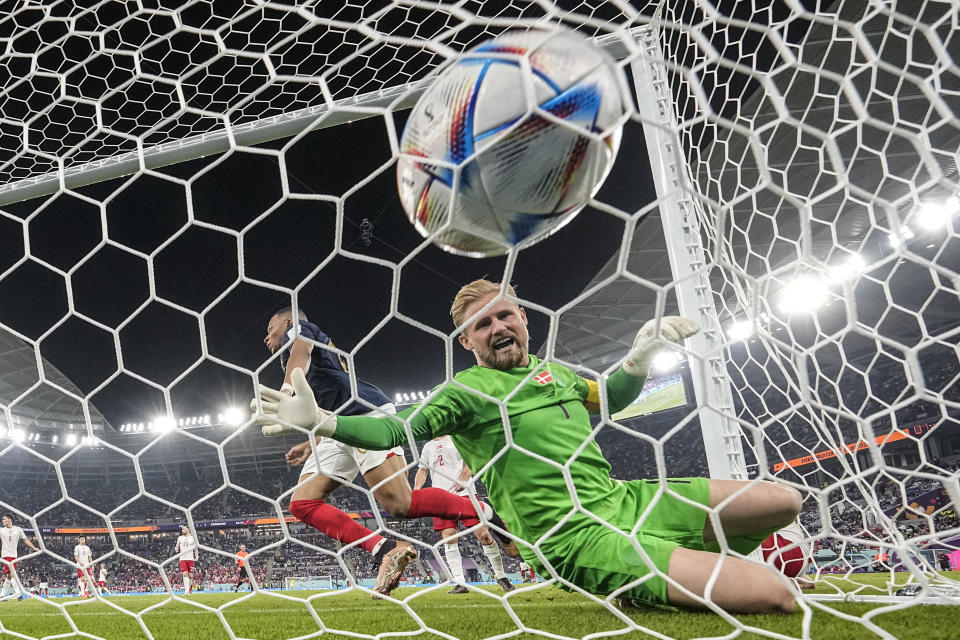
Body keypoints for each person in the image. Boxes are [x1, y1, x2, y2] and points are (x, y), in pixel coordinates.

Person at [255, 280, 803, 613]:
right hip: (577, 538)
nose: (496, 327)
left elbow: (609, 397)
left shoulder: (554, 374)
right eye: (481, 324)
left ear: (523, 319)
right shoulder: (464, 392)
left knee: (785, 502)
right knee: (777, 594)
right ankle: (639, 581)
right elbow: (395, 433)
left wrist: (638, 359)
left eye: (503, 314)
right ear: (466, 341)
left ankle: (687, 562)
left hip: (624, 500)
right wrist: (325, 423)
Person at [261, 307, 516, 597]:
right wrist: (309, 444)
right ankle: (386, 549)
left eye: (271, 327)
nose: (266, 335)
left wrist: (285, 391)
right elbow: (327, 399)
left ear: (289, 322)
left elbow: (302, 352)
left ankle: (486, 513)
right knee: (302, 504)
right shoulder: (295, 356)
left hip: (367, 415)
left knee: (400, 506)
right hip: (335, 426)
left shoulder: (301, 333)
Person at [414, 436, 514, 594]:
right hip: (441, 498)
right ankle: (460, 583)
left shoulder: (456, 438)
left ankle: (502, 577)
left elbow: (470, 459)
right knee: (449, 538)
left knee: (484, 535)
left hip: (466, 493)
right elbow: (422, 469)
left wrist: (464, 477)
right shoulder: (428, 446)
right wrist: (417, 489)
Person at [0, 513, 39, 600]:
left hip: (14, 556)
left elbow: (25, 540)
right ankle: (18, 595)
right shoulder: (1, 530)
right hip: (6, 556)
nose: (3, 521)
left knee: (9, 576)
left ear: (10, 520)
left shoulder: (18, 529)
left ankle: (2, 595)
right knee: (13, 574)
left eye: (4, 519)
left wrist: (34, 547)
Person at [175, 525, 198, 594]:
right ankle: (186, 590)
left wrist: (196, 556)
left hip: (190, 558)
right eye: (182, 529)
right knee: (185, 574)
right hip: (182, 558)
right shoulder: (180, 538)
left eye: (184, 529)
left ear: (188, 529)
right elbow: (177, 545)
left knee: (191, 575)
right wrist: (176, 548)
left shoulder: (193, 538)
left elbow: (196, 548)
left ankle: (190, 590)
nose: (182, 530)